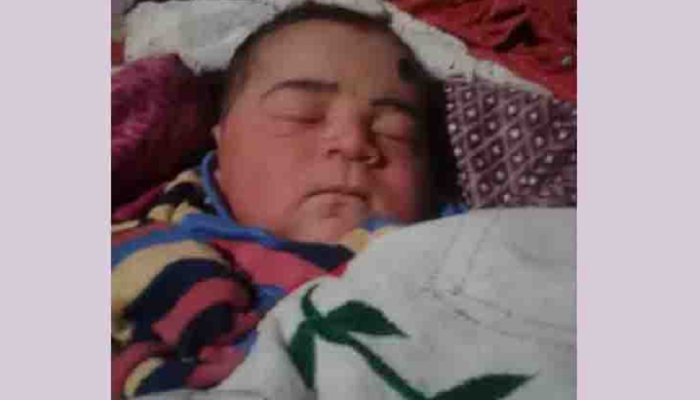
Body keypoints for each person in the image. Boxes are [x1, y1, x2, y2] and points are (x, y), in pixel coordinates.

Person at [111, 2, 459, 398]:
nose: (353, 143)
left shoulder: (462, 250)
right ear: (221, 148)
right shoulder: (141, 250)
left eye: (396, 131)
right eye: (303, 115)